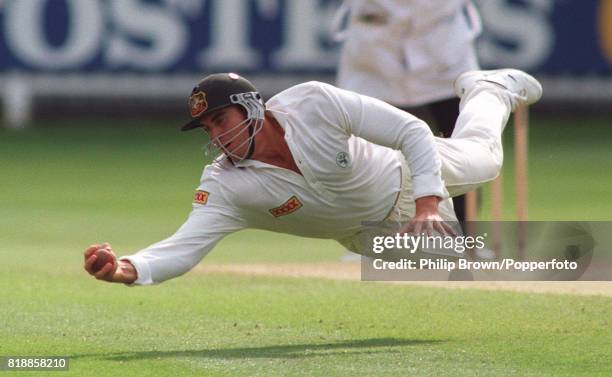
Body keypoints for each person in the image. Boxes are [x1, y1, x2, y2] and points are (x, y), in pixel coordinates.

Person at [83, 69, 542, 285]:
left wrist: (427, 202)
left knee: (488, 160)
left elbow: (410, 130)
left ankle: (487, 89)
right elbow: (182, 248)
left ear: (251, 108)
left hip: (402, 174)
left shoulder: (314, 103)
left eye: (221, 120)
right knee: (464, 269)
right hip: (369, 235)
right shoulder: (225, 186)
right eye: (207, 129)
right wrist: (128, 268)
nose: (217, 136)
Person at [333, 0, 482, 222]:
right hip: (374, 48)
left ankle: (466, 239)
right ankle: (370, 238)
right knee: (362, 151)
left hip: (442, 42)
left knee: (462, 144)